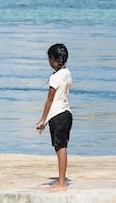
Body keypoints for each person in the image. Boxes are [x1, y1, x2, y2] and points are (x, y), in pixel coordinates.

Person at [35, 43, 73, 191]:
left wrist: (42, 120)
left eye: (49, 59)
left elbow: (49, 100)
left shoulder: (55, 77)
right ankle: (62, 180)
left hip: (57, 115)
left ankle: (62, 183)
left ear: (53, 59)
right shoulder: (67, 73)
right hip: (67, 113)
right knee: (62, 147)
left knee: (60, 148)